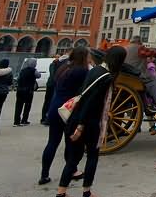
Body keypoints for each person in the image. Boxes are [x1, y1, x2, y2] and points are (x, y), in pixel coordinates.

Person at [56, 45, 126, 197]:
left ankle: (61, 192)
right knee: (92, 157)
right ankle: (86, 191)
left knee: (73, 158)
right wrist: (81, 126)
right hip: (90, 122)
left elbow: (83, 95)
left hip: (75, 118)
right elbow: (92, 102)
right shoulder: (107, 77)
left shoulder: (94, 70)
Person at [40, 47, 89, 186]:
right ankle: (72, 171)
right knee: (71, 142)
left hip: (56, 106)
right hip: (69, 109)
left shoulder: (63, 68)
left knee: (52, 142)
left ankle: (44, 175)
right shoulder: (81, 71)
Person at [125, 36, 156, 105]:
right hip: (136, 75)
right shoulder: (140, 48)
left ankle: (146, 101)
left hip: (126, 75)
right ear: (139, 42)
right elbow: (152, 53)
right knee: (153, 79)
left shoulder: (125, 48)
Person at [14, 57, 41, 126]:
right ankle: (24, 120)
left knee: (18, 106)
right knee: (27, 106)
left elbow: (18, 78)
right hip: (28, 91)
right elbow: (38, 76)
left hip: (20, 90)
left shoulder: (22, 70)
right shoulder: (33, 70)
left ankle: (16, 121)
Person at [41, 54, 63, 125]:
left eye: (59, 57)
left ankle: (47, 117)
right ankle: (44, 118)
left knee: (50, 101)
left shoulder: (57, 64)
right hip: (51, 85)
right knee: (48, 101)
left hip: (53, 84)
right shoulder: (53, 64)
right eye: (57, 57)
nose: (58, 58)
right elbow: (53, 75)